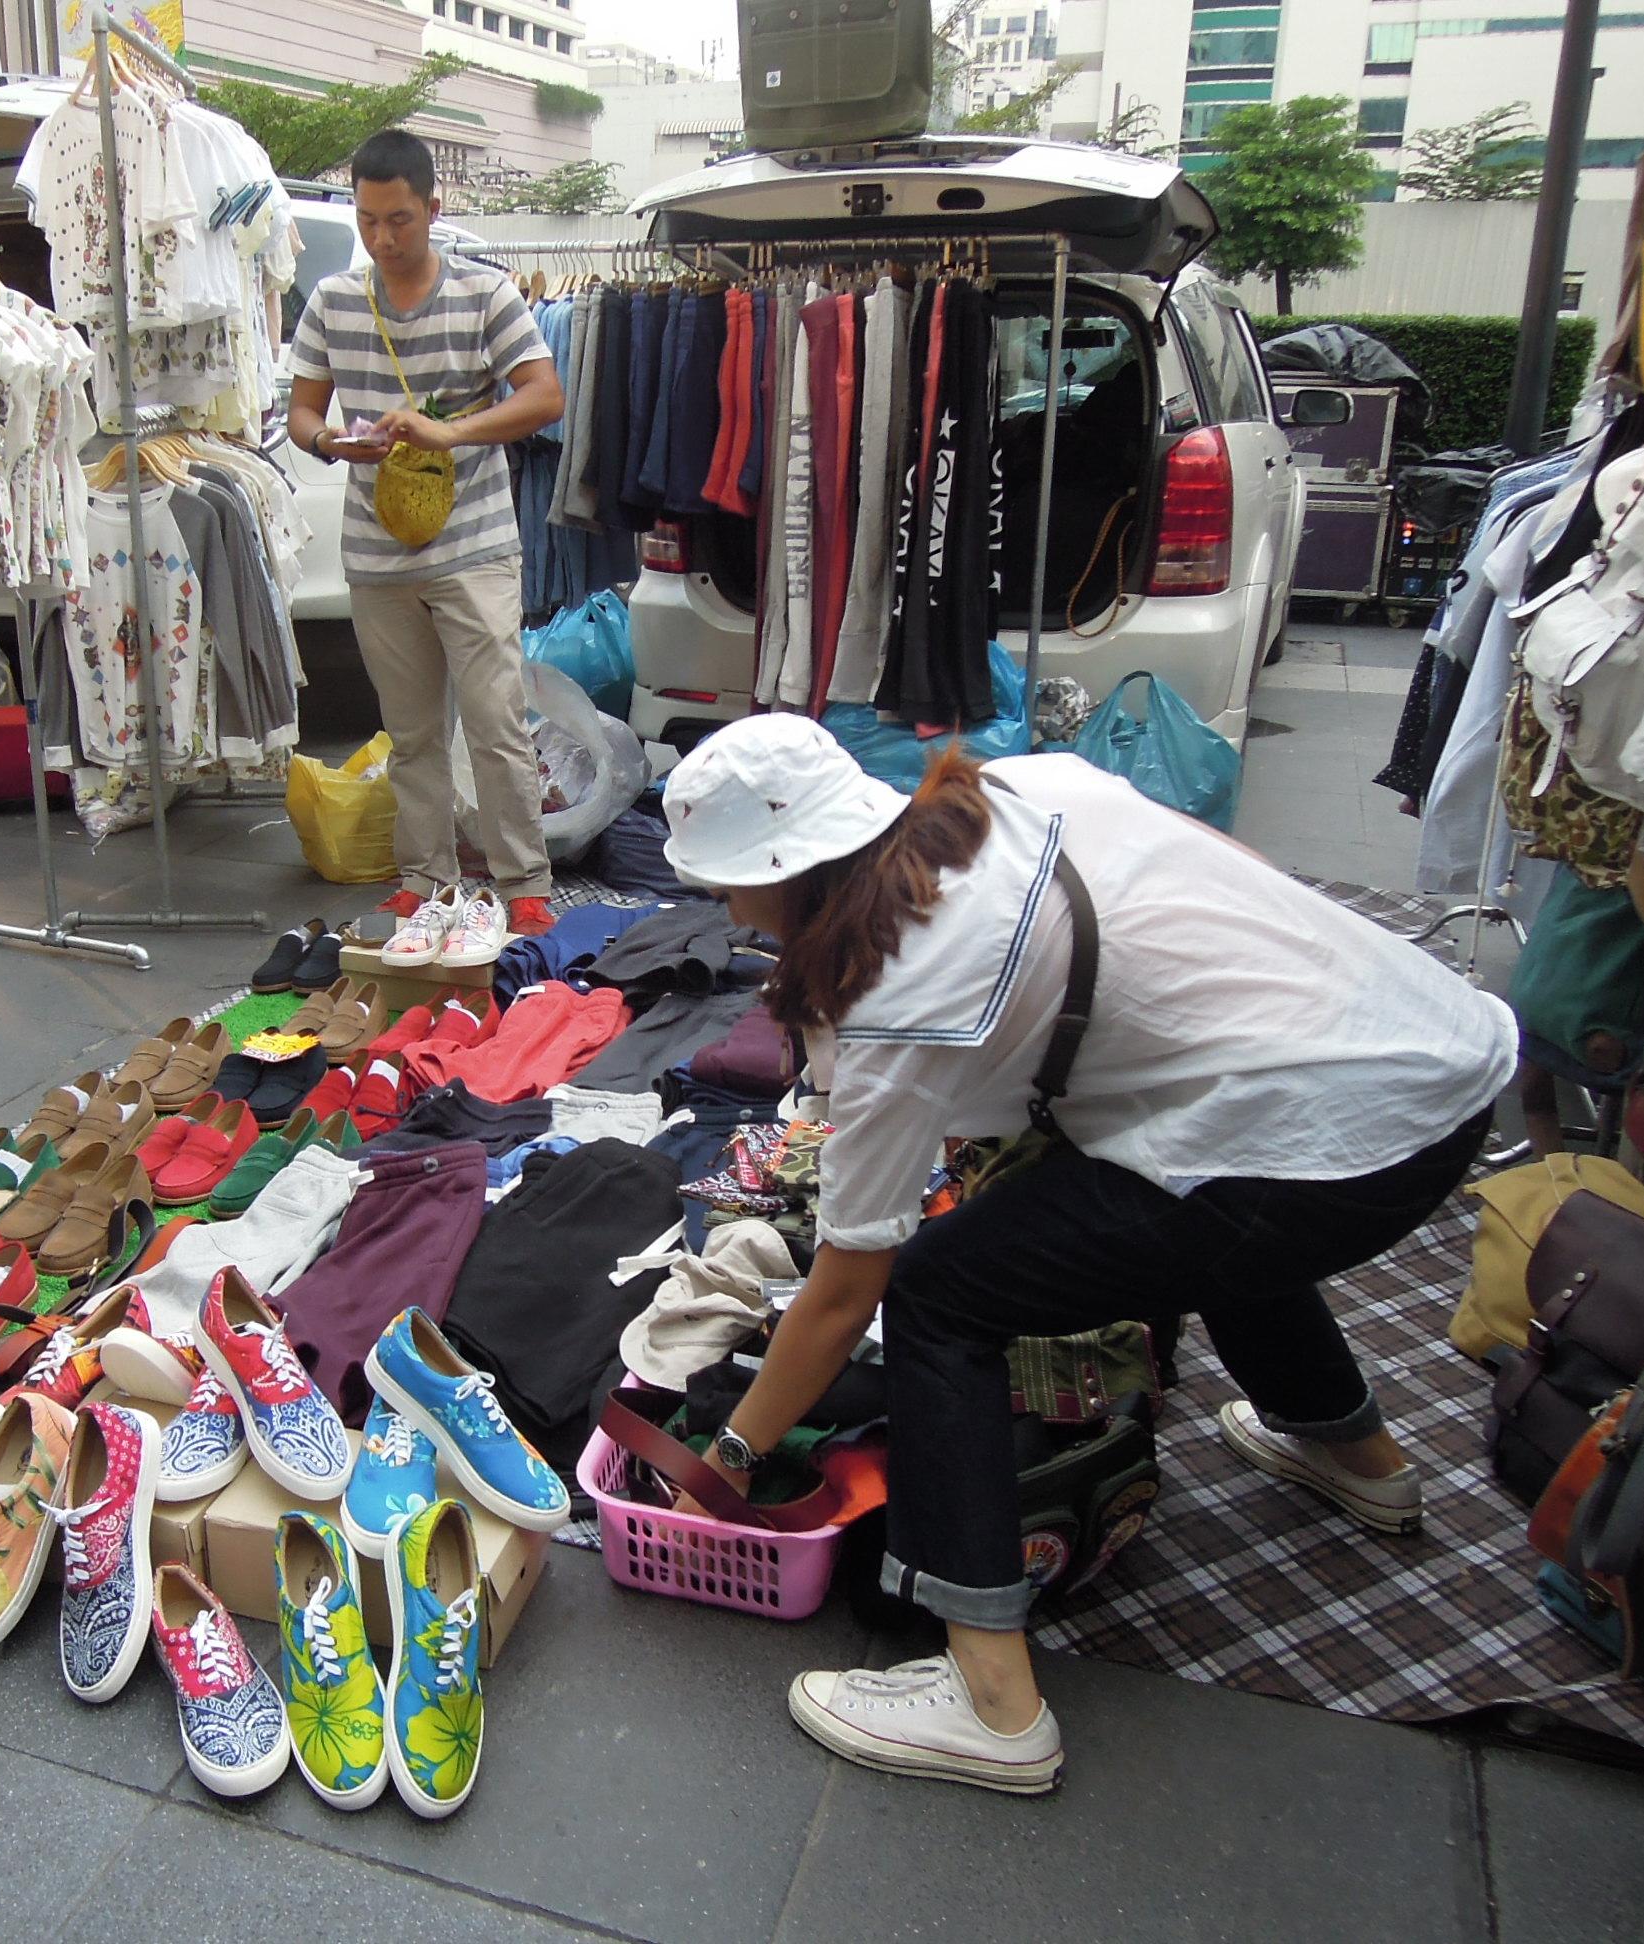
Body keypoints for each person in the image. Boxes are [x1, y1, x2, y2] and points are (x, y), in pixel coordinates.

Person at [659, 715, 1517, 1794]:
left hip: (1343, 1147)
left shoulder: (899, 1006)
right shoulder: (1021, 787)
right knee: (1194, 1175)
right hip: (1432, 1061)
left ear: (784, 875)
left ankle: (990, 1702)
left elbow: (846, 1293)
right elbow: (1233, 875)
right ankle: (1357, 1459)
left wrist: (726, 1461)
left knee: (943, 1293)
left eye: (729, 887)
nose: (728, 911)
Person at [286, 128, 565, 945]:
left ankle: (526, 884)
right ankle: (426, 881)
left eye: (399, 220)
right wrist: (330, 443)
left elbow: (544, 396)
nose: (382, 238)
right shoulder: (335, 300)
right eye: (369, 221)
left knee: (496, 722)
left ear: (433, 210)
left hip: (474, 546)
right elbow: (304, 409)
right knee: (410, 734)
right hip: (377, 555)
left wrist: (453, 433)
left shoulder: (486, 294)